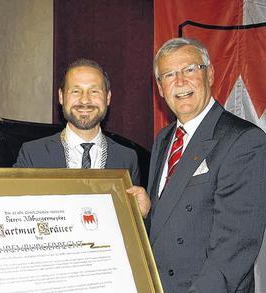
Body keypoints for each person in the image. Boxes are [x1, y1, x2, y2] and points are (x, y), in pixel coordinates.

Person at [128, 37, 266, 292]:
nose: (180, 82)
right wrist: (149, 212)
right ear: (160, 88)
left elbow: (234, 250)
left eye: (190, 69)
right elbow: (172, 220)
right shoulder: (164, 138)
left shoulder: (244, 140)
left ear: (210, 74)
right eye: (168, 75)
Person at [14, 58, 141, 185]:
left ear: (107, 98)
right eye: (76, 91)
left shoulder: (127, 158)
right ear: (61, 96)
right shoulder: (33, 154)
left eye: (94, 91)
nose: (85, 100)